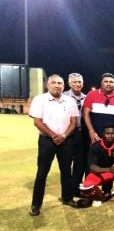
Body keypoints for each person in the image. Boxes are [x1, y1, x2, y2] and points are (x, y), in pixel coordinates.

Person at [28, 74, 80, 216]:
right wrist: (53, 136)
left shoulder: (69, 101)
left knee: (66, 171)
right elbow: (37, 121)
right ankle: (36, 204)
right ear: (48, 85)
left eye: (60, 83)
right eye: (54, 83)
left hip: (66, 141)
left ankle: (67, 198)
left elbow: (73, 122)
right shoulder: (40, 99)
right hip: (46, 141)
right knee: (42, 173)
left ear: (64, 86)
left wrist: (63, 136)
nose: (57, 85)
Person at [83, 73, 114, 195]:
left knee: (109, 162)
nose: (109, 84)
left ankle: (107, 190)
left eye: (111, 82)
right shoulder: (92, 95)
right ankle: (91, 189)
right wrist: (91, 131)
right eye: (106, 81)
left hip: (111, 138)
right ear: (101, 83)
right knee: (93, 163)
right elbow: (85, 113)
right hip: (96, 136)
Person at [63, 73, 86, 196]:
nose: (77, 84)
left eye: (79, 82)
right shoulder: (63, 97)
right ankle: (67, 190)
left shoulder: (86, 98)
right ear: (69, 83)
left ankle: (76, 188)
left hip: (81, 133)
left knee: (79, 163)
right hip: (67, 133)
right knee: (66, 163)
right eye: (75, 82)